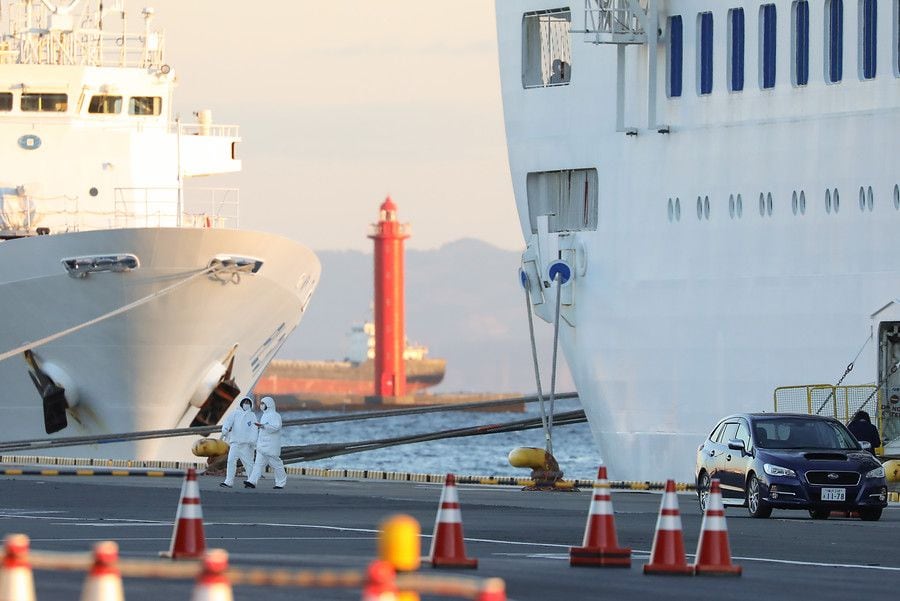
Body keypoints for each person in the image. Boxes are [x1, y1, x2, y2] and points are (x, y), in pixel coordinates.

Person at [245, 396, 287, 489]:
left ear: (269, 405)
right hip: (262, 445)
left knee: (276, 464)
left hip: (271, 446)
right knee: (258, 464)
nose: (261, 405)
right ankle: (252, 481)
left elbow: (276, 427)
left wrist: (264, 426)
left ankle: (281, 482)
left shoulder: (275, 415)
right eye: (261, 403)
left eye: (263, 403)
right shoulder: (264, 415)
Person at [219, 396, 257, 488]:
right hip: (235, 443)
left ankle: (252, 481)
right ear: (241, 403)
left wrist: (253, 442)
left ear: (250, 405)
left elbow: (254, 429)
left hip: (246, 444)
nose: (246, 404)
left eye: (248, 403)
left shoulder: (252, 416)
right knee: (231, 461)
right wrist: (225, 430)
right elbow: (228, 422)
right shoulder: (235, 413)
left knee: (248, 463)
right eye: (245, 402)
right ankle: (228, 482)